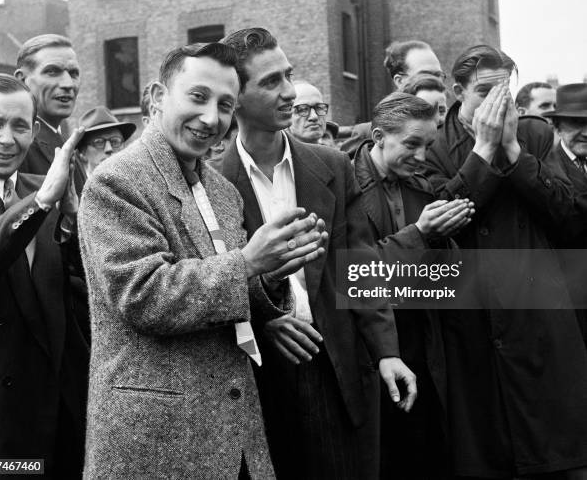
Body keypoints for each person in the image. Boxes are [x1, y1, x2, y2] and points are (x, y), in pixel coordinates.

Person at [77, 42, 327, 479]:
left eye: (225, 105)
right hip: (158, 439)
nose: (212, 118)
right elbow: (143, 294)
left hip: (235, 434)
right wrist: (248, 263)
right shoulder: (115, 182)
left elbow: (234, 297)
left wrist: (271, 274)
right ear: (156, 97)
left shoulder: (222, 191)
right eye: (197, 97)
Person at [216, 27, 416, 480]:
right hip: (261, 378)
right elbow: (215, 277)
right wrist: (264, 323)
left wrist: (386, 352)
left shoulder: (331, 165)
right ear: (236, 96)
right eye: (271, 82)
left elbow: (359, 265)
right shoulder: (212, 183)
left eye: (288, 75)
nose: (288, 92)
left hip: (338, 366)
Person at [422, 44, 587, 479]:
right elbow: (442, 222)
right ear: (458, 92)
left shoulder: (533, 135)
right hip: (474, 329)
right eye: (484, 94)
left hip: (541, 323)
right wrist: (482, 151)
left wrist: (514, 152)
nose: (498, 107)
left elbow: (572, 217)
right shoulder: (436, 145)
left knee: (558, 457)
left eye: (506, 96)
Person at [353, 91, 474, 478]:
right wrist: (420, 234)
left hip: (423, 344)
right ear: (377, 137)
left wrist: (445, 239)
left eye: (427, 145)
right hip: (369, 351)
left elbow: (449, 277)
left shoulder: (424, 189)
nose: (422, 157)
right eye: (411, 144)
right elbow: (351, 275)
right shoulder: (340, 186)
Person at [0, 73, 89, 478]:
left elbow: (83, 290)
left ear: (35, 130)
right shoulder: (43, 196)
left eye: (20, 126)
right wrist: (41, 203)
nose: (7, 139)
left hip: (60, 410)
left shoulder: (49, 190)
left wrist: (74, 223)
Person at [341, 39, 443, 157]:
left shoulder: (453, 128)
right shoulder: (367, 134)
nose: (436, 81)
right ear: (400, 81)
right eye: (425, 74)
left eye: (439, 75)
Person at [15, 34, 87, 195]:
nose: (68, 84)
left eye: (74, 73)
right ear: (21, 81)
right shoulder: (17, 146)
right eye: (52, 72)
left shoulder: (64, 142)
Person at [545, 83, 587, 347]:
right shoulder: (546, 169)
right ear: (558, 127)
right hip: (572, 301)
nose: (586, 133)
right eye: (576, 123)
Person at [76, 106, 136, 177]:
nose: (109, 149)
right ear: (83, 151)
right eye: (99, 142)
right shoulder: (76, 186)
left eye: (115, 141)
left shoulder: (135, 183)